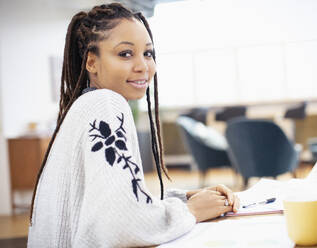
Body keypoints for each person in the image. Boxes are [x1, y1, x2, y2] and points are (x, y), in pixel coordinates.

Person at [28, 3, 239, 247]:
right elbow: (123, 224)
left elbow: (114, 201)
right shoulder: (105, 104)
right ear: (92, 62)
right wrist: (191, 210)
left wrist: (185, 197)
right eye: (125, 54)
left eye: (148, 53)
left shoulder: (85, 106)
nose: (142, 66)